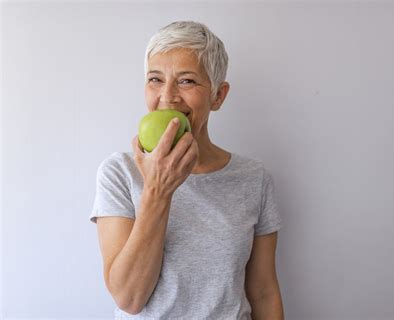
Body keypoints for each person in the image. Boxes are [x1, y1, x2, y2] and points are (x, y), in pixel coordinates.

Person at [90, 21, 284, 319]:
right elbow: (129, 298)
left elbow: (263, 291)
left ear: (218, 95)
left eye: (187, 81)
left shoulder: (253, 179)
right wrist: (158, 190)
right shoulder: (119, 172)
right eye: (155, 79)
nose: (168, 96)